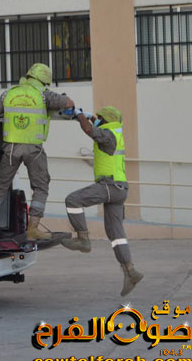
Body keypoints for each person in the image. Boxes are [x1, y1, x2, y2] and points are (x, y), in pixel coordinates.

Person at [0, 63, 74, 239]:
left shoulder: (9, 93)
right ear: (44, 80)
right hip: (34, 149)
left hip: (11, 149)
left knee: (0, 186)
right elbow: (69, 103)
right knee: (40, 186)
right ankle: (33, 228)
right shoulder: (44, 94)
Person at [60, 106, 144, 296]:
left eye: (99, 118)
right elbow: (94, 127)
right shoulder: (114, 133)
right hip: (119, 188)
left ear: (106, 120)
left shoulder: (108, 135)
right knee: (115, 233)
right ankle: (130, 272)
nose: (96, 120)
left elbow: (89, 130)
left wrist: (79, 115)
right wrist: (88, 117)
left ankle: (83, 239)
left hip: (110, 186)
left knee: (73, 200)